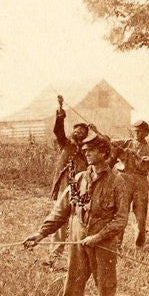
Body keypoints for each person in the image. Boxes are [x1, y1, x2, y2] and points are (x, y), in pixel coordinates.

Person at [23, 134, 128, 296]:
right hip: (78, 245)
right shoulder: (78, 179)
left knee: (105, 293)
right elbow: (60, 212)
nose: (86, 152)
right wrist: (40, 234)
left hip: (103, 247)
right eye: (85, 149)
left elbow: (120, 219)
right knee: (71, 291)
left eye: (91, 149)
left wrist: (98, 237)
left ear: (103, 152)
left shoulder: (117, 182)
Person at [49, 96, 89, 261]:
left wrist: (96, 132)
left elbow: (106, 147)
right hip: (64, 186)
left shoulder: (88, 150)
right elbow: (58, 130)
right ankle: (54, 254)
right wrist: (60, 110)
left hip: (81, 189)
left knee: (79, 220)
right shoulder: (65, 143)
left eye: (83, 131)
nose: (79, 132)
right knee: (60, 219)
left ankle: (78, 253)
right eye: (77, 130)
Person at [111, 120, 149, 248]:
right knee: (120, 212)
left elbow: (145, 168)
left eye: (140, 131)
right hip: (123, 179)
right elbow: (108, 142)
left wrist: (135, 156)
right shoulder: (126, 142)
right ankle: (116, 244)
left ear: (146, 133)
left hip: (140, 181)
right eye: (135, 131)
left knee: (140, 216)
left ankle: (139, 246)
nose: (137, 133)